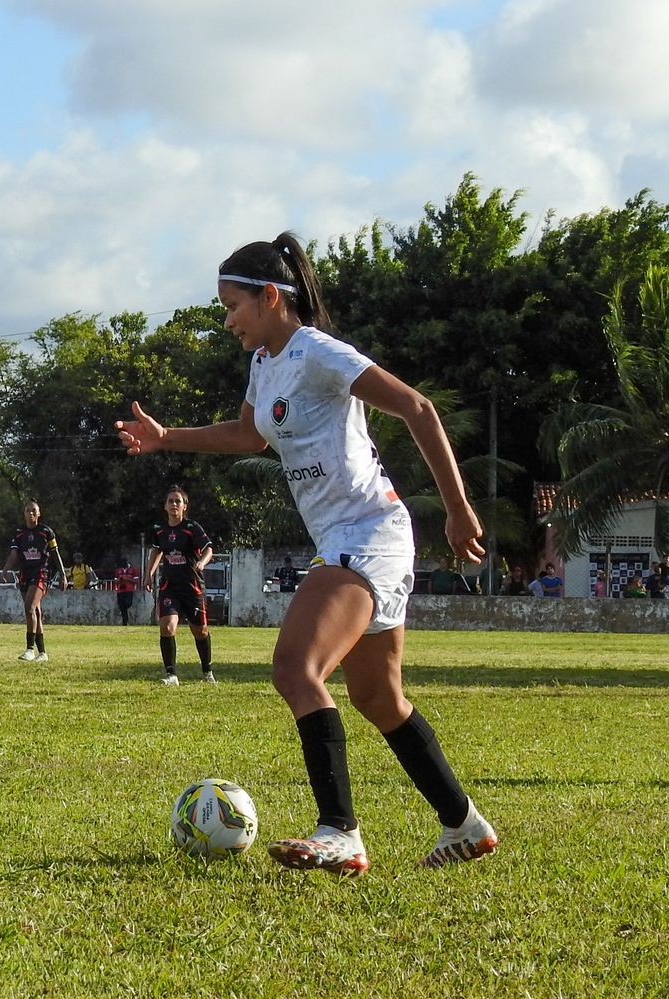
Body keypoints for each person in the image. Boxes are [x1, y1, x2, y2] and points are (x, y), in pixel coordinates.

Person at [115, 231, 497, 875]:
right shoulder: (265, 363)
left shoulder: (320, 351)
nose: (227, 321)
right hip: (349, 538)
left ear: (270, 297)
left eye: (232, 306)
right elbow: (247, 434)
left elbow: (419, 408)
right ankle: (464, 825)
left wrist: (459, 509)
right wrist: (165, 438)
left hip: (369, 533)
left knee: (296, 668)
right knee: (378, 697)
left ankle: (340, 831)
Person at [143, 486, 217, 687]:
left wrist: (202, 562)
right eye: (170, 501)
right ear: (165, 506)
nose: (174, 504)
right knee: (167, 627)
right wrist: (149, 574)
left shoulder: (192, 528)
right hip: (169, 586)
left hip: (192, 587)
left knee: (200, 631)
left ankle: (207, 670)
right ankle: (171, 675)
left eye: (178, 501)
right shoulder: (159, 531)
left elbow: (209, 548)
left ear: (185, 506)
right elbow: (157, 551)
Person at [2, 500, 63, 661]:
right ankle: (42, 653)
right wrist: (6, 568)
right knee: (35, 611)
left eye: (33, 511)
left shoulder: (46, 532)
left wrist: (63, 575)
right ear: (24, 514)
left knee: (29, 607)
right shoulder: (19, 533)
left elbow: (55, 554)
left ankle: (29, 649)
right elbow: (14, 554)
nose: (30, 514)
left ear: (39, 514)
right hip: (25, 573)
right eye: (27, 511)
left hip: (41, 573)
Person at [113, 554, 141, 625]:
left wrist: (127, 579)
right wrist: (120, 579)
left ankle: (125, 620)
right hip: (120, 590)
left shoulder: (133, 570)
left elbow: (136, 581)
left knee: (128, 603)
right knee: (121, 606)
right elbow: (115, 581)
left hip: (129, 590)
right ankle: (125, 621)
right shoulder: (118, 571)